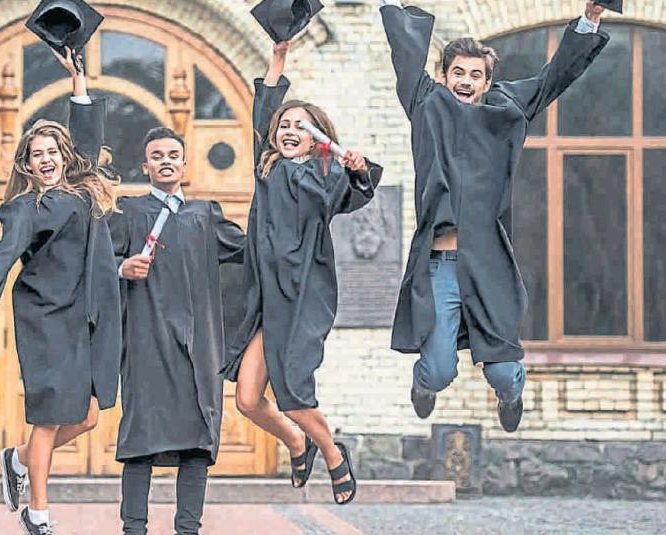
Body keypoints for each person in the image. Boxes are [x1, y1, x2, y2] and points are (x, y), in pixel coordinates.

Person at [382, 0, 609, 432]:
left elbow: (553, 77)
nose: (465, 81)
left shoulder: (506, 109)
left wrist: (590, 20)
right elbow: (405, 55)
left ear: (487, 82)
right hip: (440, 265)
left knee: (503, 371)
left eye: (475, 75)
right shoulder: (426, 104)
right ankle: (424, 384)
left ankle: (511, 394)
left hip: (487, 263)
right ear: (444, 77)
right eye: (458, 73)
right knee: (438, 370)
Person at [0, 47, 120, 535]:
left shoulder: (82, 190)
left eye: (52, 152)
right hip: (47, 317)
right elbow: (6, 250)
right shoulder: (25, 207)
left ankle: (19, 459)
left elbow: (86, 134)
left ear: (64, 157)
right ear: (27, 164)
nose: (46, 160)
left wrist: (78, 82)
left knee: (88, 416)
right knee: (49, 417)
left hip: (87, 312)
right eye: (37, 155)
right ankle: (39, 512)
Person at [222, 38, 383, 506]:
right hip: (266, 300)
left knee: (293, 392)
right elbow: (264, 109)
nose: (289, 129)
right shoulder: (266, 168)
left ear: (316, 139)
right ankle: (297, 441)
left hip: (302, 296)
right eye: (284, 125)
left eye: (301, 126)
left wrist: (356, 170)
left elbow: (357, 190)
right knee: (247, 399)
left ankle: (333, 454)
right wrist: (278, 59)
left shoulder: (324, 175)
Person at [107, 126, 246, 535]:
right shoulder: (129, 213)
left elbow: (253, 252)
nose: (165, 161)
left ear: (184, 164)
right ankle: (133, 529)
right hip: (147, 343)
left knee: (197, 445)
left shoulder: (205, 215)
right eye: (157, 156)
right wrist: (121, 267)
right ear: (145, 166)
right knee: (140, 441)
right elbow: (95, 262)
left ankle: (189, 529)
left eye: (172, 155)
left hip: (198, 347)